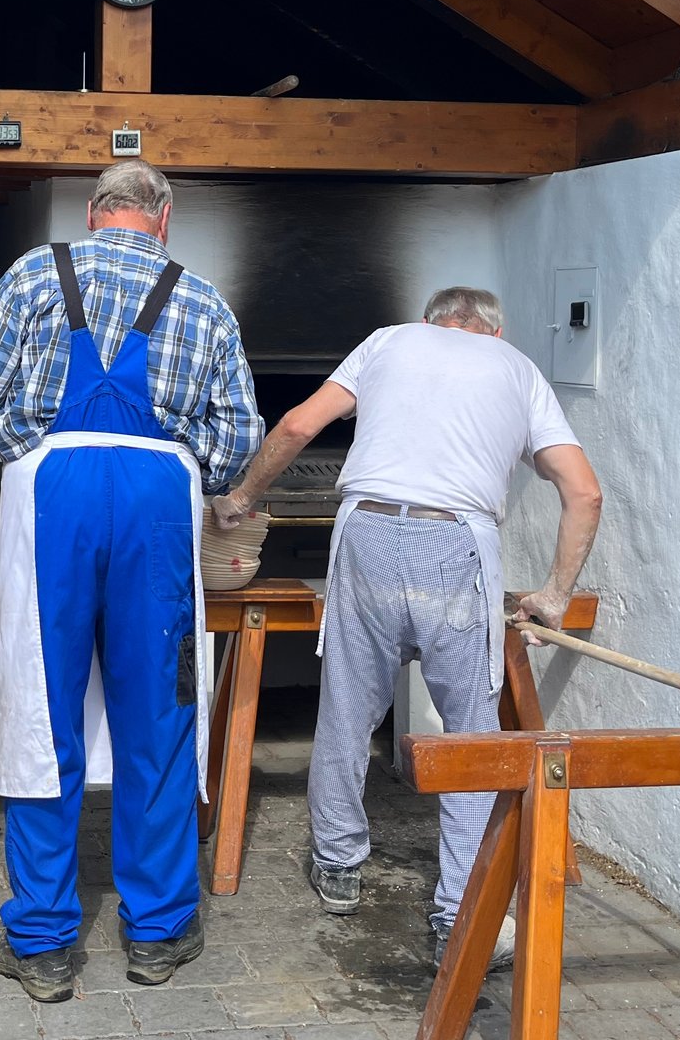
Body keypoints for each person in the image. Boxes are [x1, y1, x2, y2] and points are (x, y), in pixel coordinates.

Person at [0, 160, 262, 1002]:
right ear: (165, 219)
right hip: (157, 503)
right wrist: (196, 473)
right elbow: (235, 441)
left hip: (53, 498)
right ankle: (155, 931)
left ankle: (43, 940)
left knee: (41, 704)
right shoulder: (204, 299)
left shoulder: (37, 272)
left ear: (92, 214)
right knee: (161, 704)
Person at [213, 286, 601, 970]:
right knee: (471, 732)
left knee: (347, 708)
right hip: (456, 544)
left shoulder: (390, 339)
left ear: (431, 320)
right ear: (494, 328)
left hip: (365, 532)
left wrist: (242, 499)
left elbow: (299, 426)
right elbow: (583, 491)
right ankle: (460, 912)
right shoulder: (516, 367)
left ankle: (336, 863)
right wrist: (553, 596)